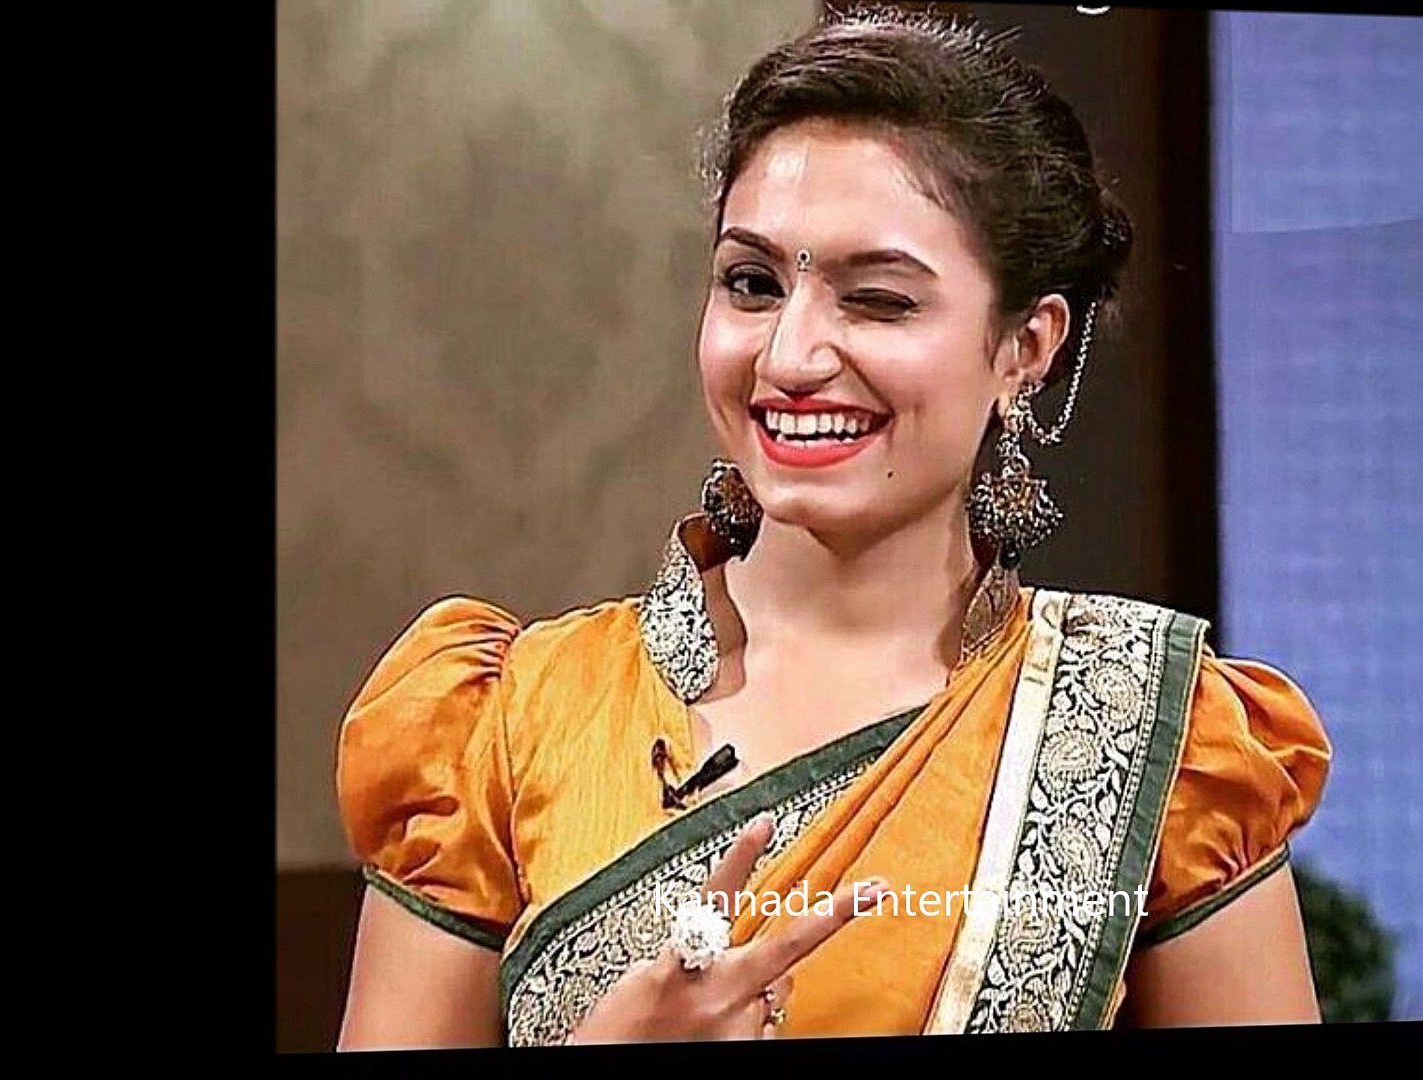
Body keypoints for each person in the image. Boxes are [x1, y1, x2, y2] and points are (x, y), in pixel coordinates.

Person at [333, 6, 1331, 1049]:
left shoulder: (1153, 731)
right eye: (752, 285)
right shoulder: (506, 723)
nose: (790, 357)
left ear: (1025, 348)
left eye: (879, 300)